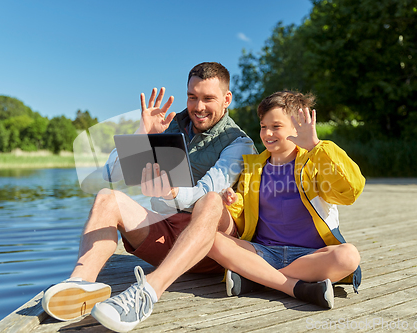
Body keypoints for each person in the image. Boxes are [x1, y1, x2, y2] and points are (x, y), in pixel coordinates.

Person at [41, 62, 256, 331]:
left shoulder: (239, 143)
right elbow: (112, 174)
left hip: (212, 246)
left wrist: (172, 192)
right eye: (192, 97)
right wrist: (144, 132)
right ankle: (79, 284)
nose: (198, 107)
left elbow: (208, 190)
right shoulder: (169, 124)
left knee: (211, 200)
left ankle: (148, 292)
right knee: (108, 197)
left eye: (208, 98)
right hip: (166, 233)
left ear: (227, 99)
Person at [203, 90, 365, 309]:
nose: (267, 132)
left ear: (297, 126)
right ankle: (292, 285)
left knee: (348, 256)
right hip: (263, 252)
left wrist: (316, 145)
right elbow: (244, 218)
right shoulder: (254, 168)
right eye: (263, 126)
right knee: (208, 239)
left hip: (311, 255)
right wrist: (233, 202)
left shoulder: (316, 161)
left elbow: (350, 191)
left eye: (276, 126)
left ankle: (257, 279)